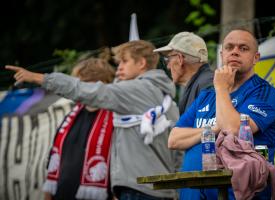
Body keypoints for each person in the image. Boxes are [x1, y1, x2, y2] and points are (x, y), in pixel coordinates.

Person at [6, 40, 179, 200]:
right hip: (157, 189)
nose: (119, 69)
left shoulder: (136, 90)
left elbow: (89, 91)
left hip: (140, 190)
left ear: (141, 63)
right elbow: (178, 153)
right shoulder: (166, 99)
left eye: (124, 62)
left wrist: (40, 78)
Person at [168, 29, 275, 200]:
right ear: (222, 54)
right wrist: (214, 129)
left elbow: (233, 129)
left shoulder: (265, 93)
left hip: (235, 193)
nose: (235, 51)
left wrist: (222, 88)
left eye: (243, 48)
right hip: (192, 193)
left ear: (256, 58)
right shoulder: (206, 95)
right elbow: (174, 139)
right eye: (229, 47)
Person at [43, 57, 116, 200]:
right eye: (83, 85)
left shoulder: (116, 119)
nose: (86, 91)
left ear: (106, 85)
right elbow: (53, 162)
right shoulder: (70, 117)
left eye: (92, 86)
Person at [154, 31, 214, 114]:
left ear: (180, 59)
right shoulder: (200, 84)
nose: (168, 66)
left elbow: (209, 126)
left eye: (168, 60)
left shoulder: (206, 86)